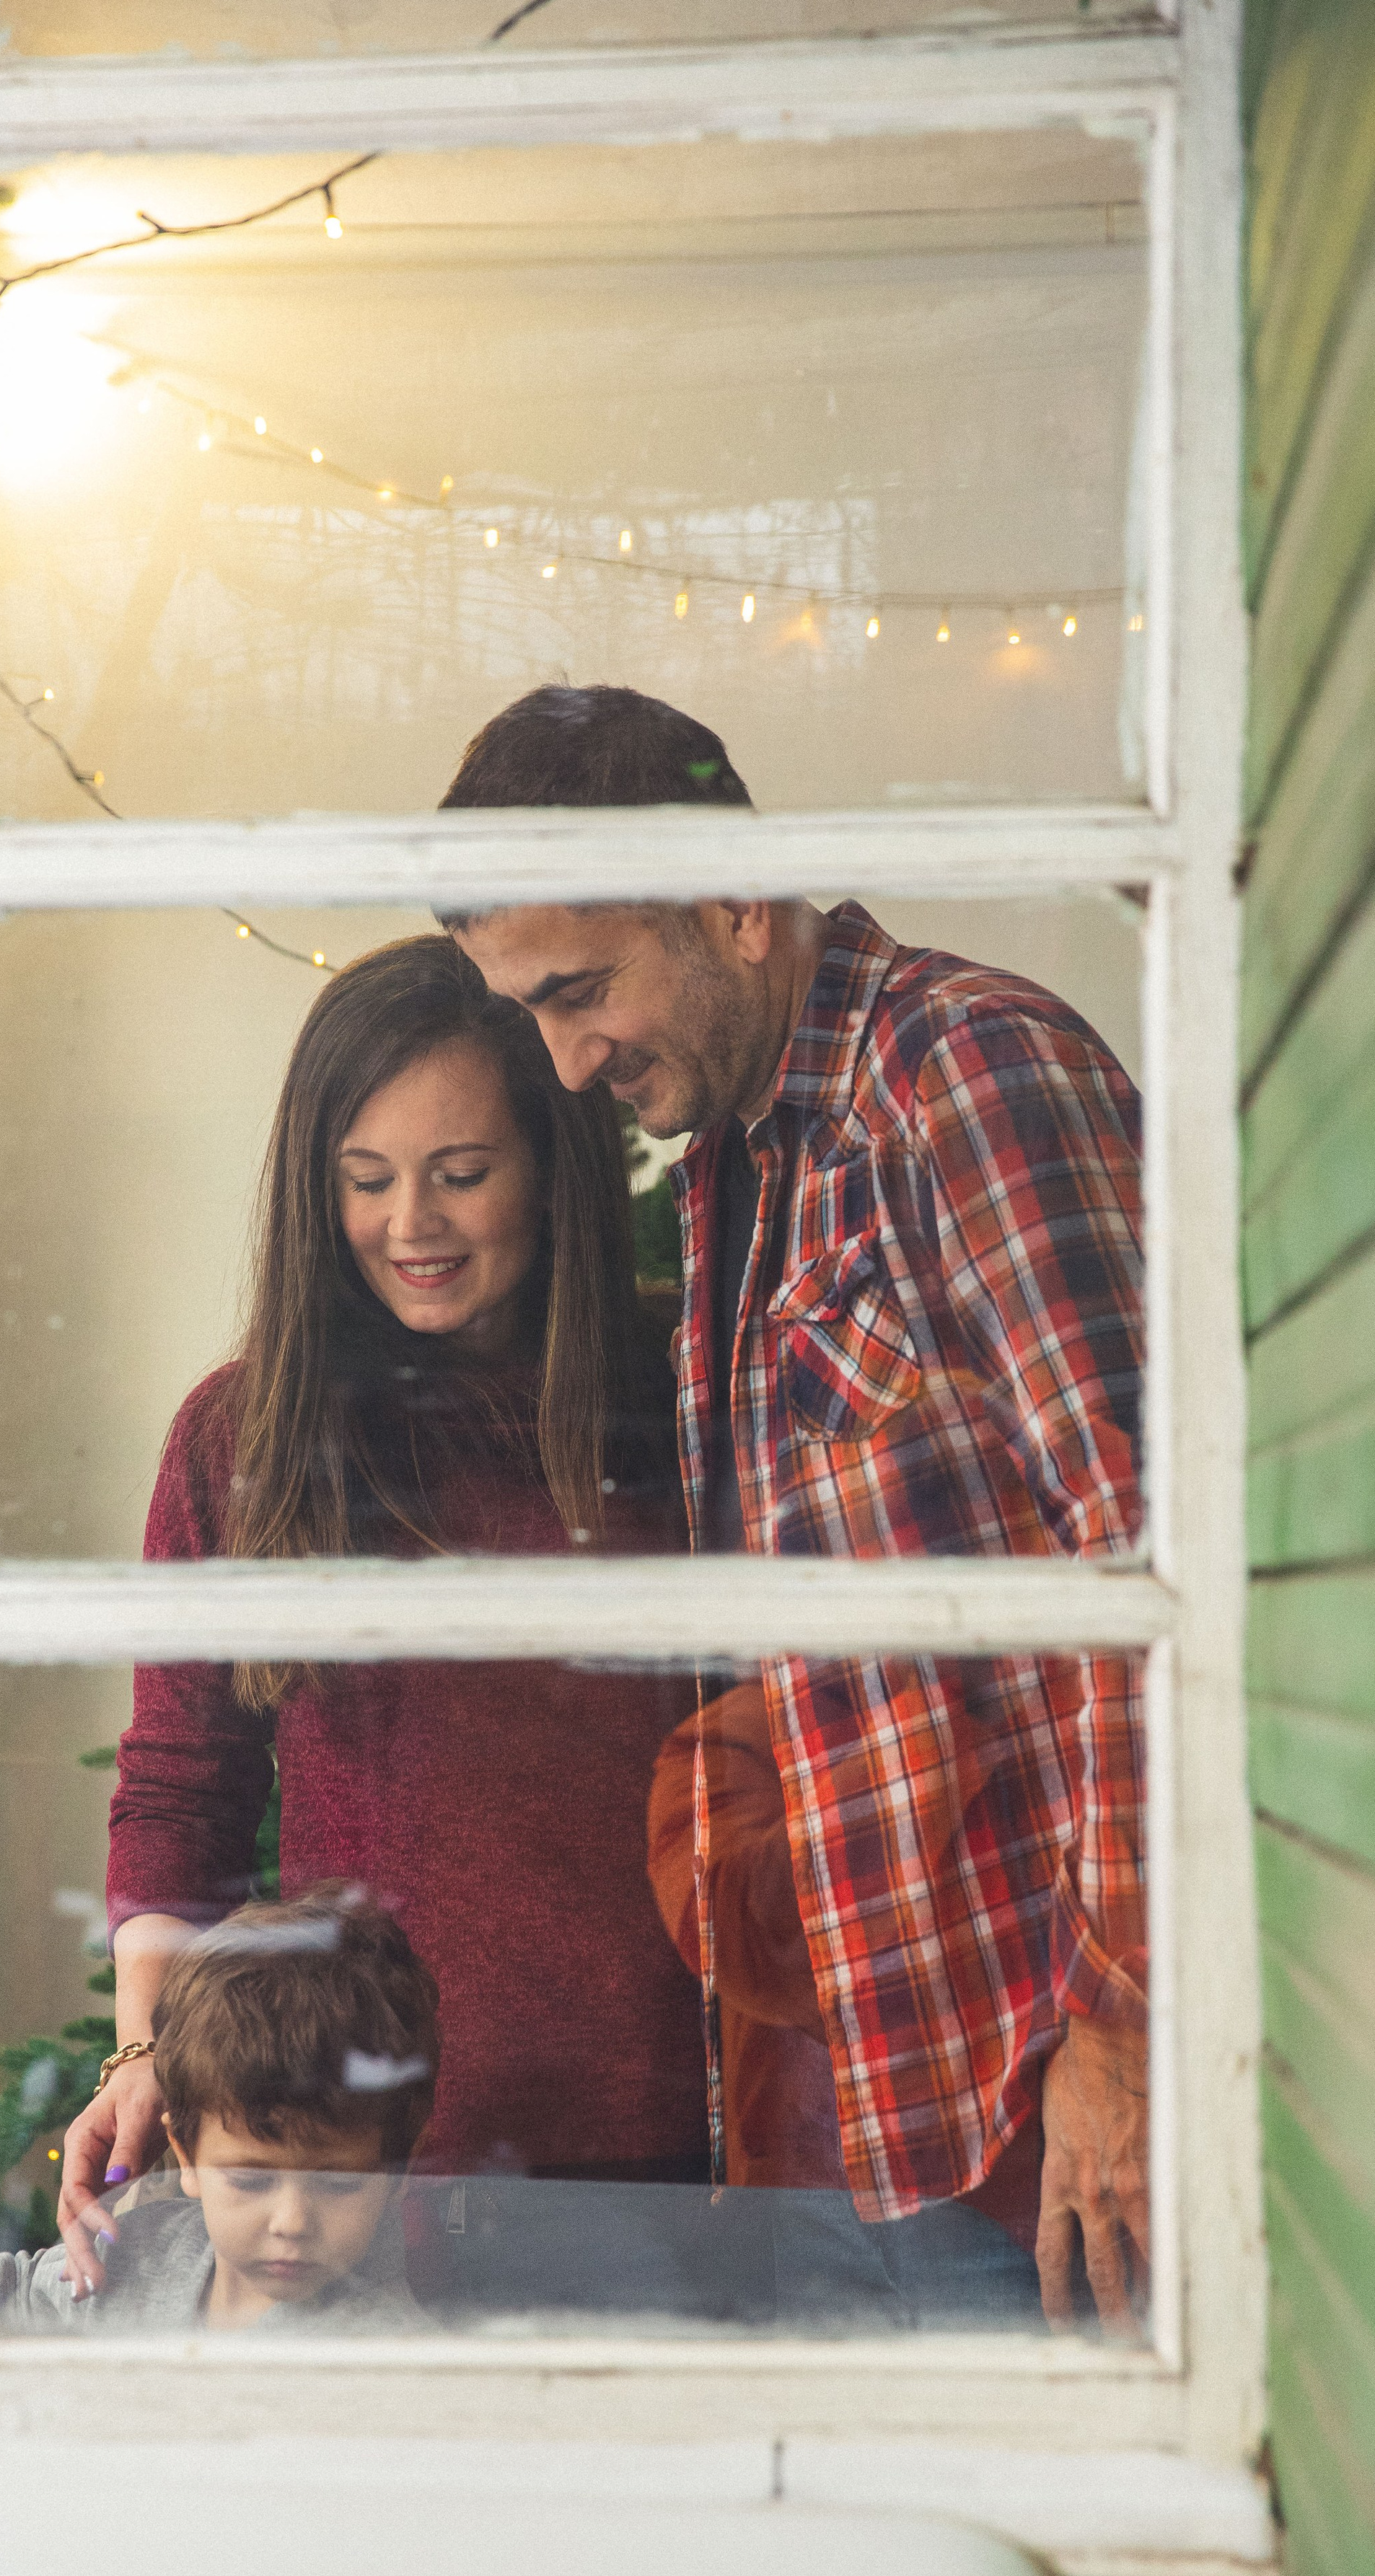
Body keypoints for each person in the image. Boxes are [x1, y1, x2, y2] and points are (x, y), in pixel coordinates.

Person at [439, 683, 1149, 2337]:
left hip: (1043, 2122)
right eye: (527, 1009)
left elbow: (1150, 1566)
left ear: (734, 905)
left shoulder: (962, 1079)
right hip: (866, 2128)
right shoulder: (737, 1165)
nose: (563, 1057)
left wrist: (1124, 2042)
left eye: (579, 989)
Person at [56, 935, 706, 2293]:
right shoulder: (242, 1436)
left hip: (677, 2157)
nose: (411, 1222)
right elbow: (181, 1795)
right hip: (361, 2173)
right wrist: (141, 2060)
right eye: (366, 1180)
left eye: (462, 1174)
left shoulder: (685, 1394)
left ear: (553, 1165)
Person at [0, 1889, 436, 2336]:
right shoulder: (143, 2254)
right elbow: (13, 2291)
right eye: (252, 2181)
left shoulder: (397, 2357)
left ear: (398, 2173)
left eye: (341, 2183)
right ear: (187, 2157)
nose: (292, 2222)